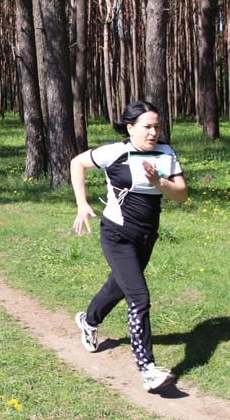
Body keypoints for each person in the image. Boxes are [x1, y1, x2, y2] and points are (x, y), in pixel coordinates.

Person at [70, 100, 188, 392]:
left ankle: (89, 319)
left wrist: (158, 181)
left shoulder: (166, 152)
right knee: (139, 298)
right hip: (117, 235)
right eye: (147, 127)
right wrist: (82, 204)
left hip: (147, 236)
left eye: (157, 127)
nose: (153, 133)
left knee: (119, 286)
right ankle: (147, 370)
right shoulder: (116, 152)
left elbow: (182, 195)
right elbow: (77, 163)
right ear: (130, 127)